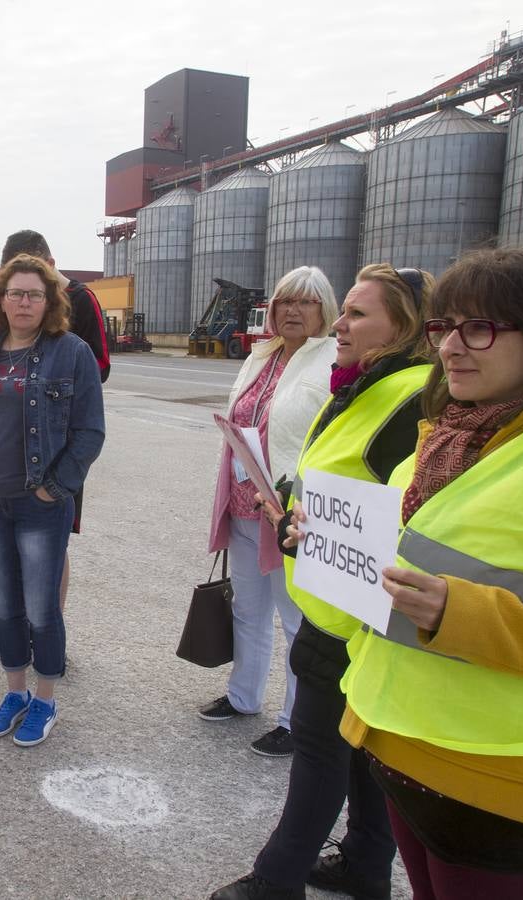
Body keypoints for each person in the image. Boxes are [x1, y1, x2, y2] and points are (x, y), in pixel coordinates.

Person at [328, 248, 523, 900]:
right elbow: (409, 558)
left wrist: (458, 615)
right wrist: (328, 542)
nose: (450, 348)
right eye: (444, 327)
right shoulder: (444, 434)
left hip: (504, 777)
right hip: (401, 743)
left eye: (481, 328)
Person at [210, 262, 433, 900]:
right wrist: (293, 502)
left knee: (318, 749)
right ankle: (364, 865)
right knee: (361, 752)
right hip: (336, 596)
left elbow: (403, 510)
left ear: (404, 326)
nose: (341, 323)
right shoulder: (366, 383)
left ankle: (276, 881)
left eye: (358, 314)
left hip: (350, 614)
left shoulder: (408, 397)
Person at [0, 252, 105, 746]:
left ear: (49, 301)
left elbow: (89, 432)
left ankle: (45, 699)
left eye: (34, 294)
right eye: (15, 293)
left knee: (42, 610)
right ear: (1, 299)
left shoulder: (71, 352)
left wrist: (53, 488)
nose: (24, 302)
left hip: (40, 503)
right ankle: (15, 692)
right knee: (3, 605)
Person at [199, 266, 339, 759]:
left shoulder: (331, 361)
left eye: (306, 302)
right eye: (284, 302)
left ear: (325, 310)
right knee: (247, 607)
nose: (293, 311)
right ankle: (243, 697)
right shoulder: (262, 355)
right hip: (244, 500)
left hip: (289, 509)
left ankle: (296, 721)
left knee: (296, 617)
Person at [0, 229, 109, 643]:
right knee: (3, 537)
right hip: (5, 455)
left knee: (51, 542)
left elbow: (101, 366)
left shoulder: (83, 300)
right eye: (14, 287)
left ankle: (47, 627)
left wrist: (57, 374)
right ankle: (15, 618)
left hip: (57, 445)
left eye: (32, 284)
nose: (24, 298)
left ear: (48, 264)